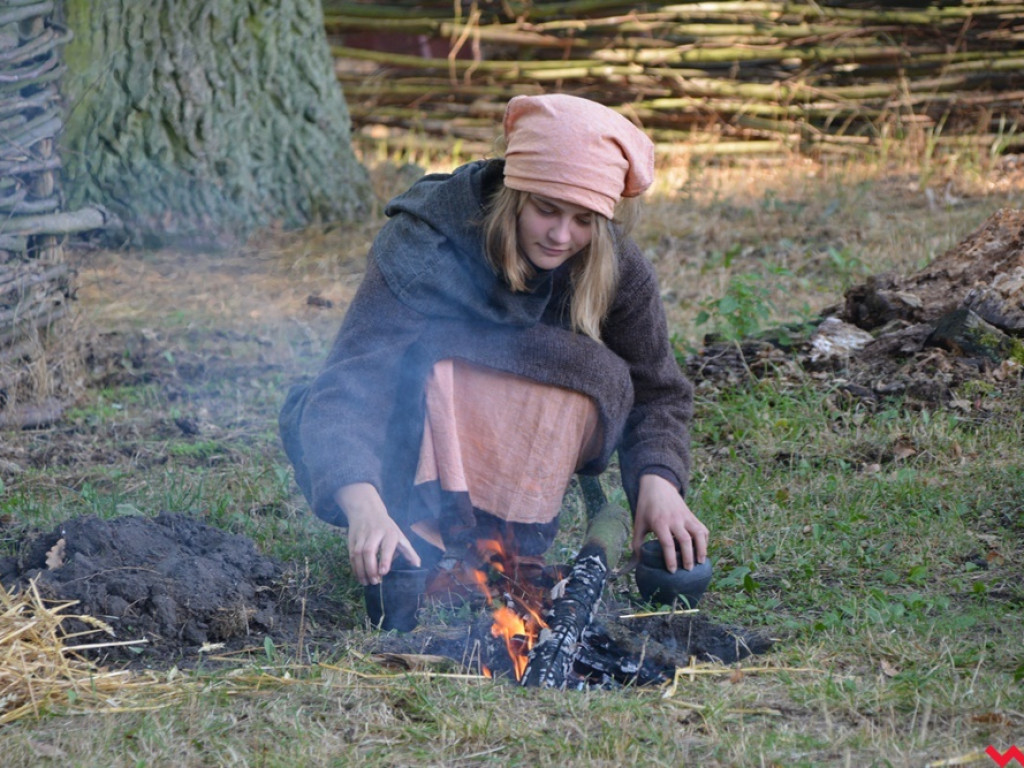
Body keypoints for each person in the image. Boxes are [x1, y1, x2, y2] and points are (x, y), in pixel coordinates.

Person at [279, 93, 708, 626]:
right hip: (407, 432)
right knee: (440, 360)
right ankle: (422, 532)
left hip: (531, 423)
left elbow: (656, 387)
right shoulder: (425, 242)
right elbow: (354, 379)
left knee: (590, 374)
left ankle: (507, 546)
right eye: (546, 210)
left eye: (583, 219)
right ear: (514, 192)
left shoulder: (615, 264)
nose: (560, 235)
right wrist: (365, 507)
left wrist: (659, 484)